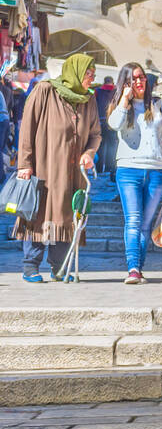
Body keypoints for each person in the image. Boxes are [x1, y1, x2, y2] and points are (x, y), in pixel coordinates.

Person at [12, 54, 100, 282]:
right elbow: (27, 128)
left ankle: (59, 267)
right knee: (38, 214)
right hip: (44, 165)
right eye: (89, 74)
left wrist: (89, 153)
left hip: (72, 171)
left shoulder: (88, 99)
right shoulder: (45, 91)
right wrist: (25, 164)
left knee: (67, 215)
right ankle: (30, 266)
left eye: (93, 74)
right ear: (77, 72)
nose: (92, 78)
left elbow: (95, 134)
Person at [106, 63, 162, 284]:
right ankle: (133, 268)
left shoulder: (158, 104)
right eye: (134, 78)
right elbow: (114, 124)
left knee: (146, 223)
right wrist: (125, 100)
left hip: (157, 170)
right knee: (134, 220)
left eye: (142, 78)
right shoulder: (120, 105)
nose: (139, 82)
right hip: (129, 169)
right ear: (125, 82)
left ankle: (139, 266)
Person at [94, 75, 117, 178]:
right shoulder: (116, 91)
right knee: (112, 146)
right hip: (113, 122)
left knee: (100, 146)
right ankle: (109, 168)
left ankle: (99, 169)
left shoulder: (97, 91)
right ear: (112, 82)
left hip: (100, 121)